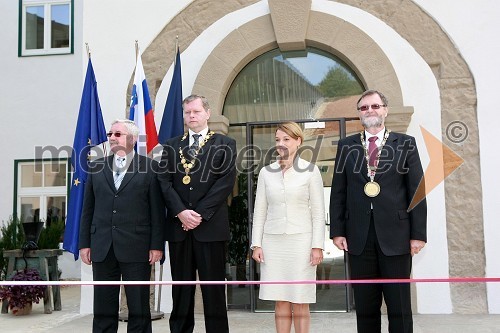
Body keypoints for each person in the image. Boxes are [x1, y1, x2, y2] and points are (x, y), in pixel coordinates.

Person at [330, 90, 427, 333]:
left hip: (397, 237)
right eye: (364, 108)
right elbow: (339, 191)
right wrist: (338, 231)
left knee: (399, 306)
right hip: (359, 238)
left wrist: (418, 234)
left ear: (385, 109)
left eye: (375, 106)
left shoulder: (405, 143)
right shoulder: (346, 146)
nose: (370, 110)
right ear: (359, 114)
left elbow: (417, 191)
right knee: (365, 307)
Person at [158, 94, 236, 333]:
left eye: (196, 111)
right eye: (187, 112)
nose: (191, 116)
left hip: (210, 228)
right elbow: (164, 181)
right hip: (179, 229)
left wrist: (198, 214)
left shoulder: (224, 143)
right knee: (181, 289)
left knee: (213, 290)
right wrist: (181, 212)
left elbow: (225, 182)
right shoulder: (171, 146)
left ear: (207, 113)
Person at [79, 119, 165, 333]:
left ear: (133, 139)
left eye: (117, 134)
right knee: (103, 306)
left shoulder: (150, 167)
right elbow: (87, 209)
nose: (111, 137)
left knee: (138, 306)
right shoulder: (96, 166)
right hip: (102, 246)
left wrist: (156, 245)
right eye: (110, 134)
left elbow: (157, 211)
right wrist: (84, 244)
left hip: (137, 247)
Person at [251, 121, 326, 333]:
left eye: (286, 139)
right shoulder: (266, 172)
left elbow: (318, 213)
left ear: (298, 141)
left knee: (300, 299)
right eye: (277, 139)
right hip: (273, 244)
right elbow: (260, 211)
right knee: (280, 299)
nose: (281, 143)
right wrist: (256, 244)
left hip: (301, 243)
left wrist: (317, 246)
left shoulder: (311, 171)